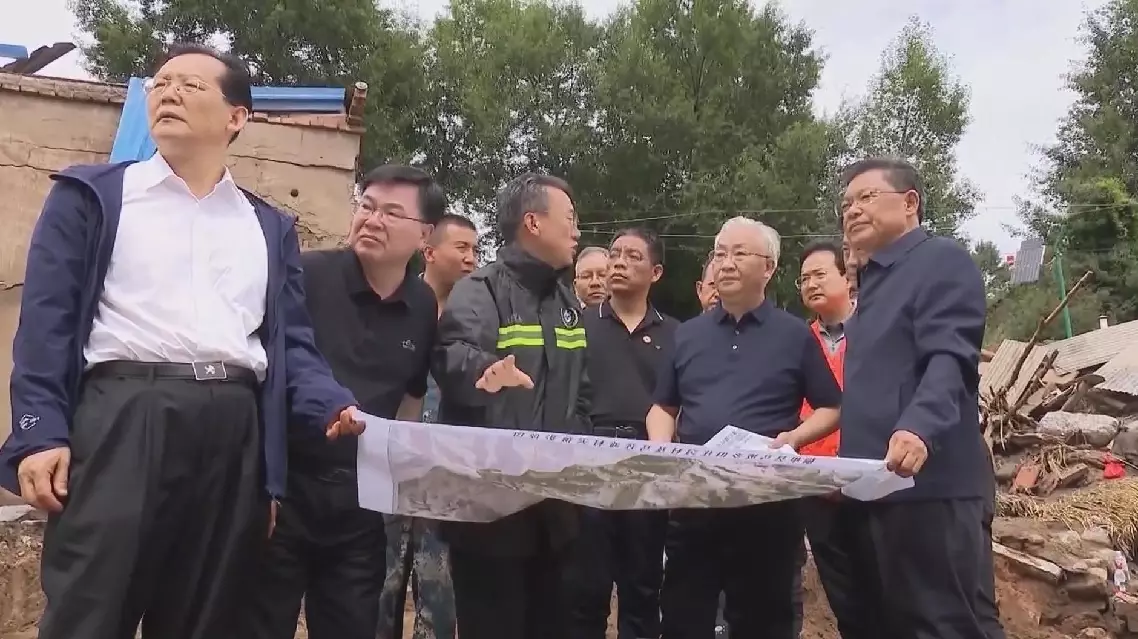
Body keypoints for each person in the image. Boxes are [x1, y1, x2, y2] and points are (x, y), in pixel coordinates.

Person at [0, 43, 363, 639]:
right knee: (91, 610)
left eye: (191, 86)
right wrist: (39, 432)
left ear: (237, 117)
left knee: (207, 617)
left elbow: (290, 344)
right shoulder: (93, 197)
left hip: (234, 432)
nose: (168, 93)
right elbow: (46, 324)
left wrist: (329, 402)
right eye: (161, 84)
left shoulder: (268, 227)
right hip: (124, 418)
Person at [240, 165, 444, 639]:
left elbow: (410, 400)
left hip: (359, 504)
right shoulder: (306, 275)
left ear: (424, 235)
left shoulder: (421, 305)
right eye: (366, 206)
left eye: (392, 212)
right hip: (283, 493)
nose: (372, 219)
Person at [646, 216, 841, 639]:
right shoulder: (688, 335)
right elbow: (663, 406)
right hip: (696, 503)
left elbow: (831, 407)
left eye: (739, 253)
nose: (726, 263)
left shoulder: (794, 335)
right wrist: (662, 448)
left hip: (767, 507)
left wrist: (794, 438)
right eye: (719, 254)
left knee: (764, 621)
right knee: (683, 617)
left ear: (768, 267)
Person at [837, 157, 1004, 639]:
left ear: (910, 203)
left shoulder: (939, 261)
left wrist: (919, 427)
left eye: (867, 197)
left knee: (942, 624)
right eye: (846, 204)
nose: (852, 210)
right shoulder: (873, 283)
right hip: (876, 485)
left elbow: (950, 356)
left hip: (929, 486)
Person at [432, 173, 591, 639]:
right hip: (491, 514)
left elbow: (581, 390)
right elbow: (453, 354)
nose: (577, 230)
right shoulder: (480, 289)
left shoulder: (568, 304)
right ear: (533, 223)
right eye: (569, 218)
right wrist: (485, 371)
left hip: (555, 513)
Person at [568, 227, 678, 639]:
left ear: (656, 272)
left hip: (649, 466)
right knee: (584, 590)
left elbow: (679, 404)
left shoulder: (677, 334)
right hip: (588, 463)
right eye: (615, 253)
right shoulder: (578, 326)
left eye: (633, 256)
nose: (619, 263)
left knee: (643, 589)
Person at [378, 213, 477, 639]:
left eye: (476, 250)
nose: (472, 258)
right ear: (430, 251)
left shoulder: (475, 318)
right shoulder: (394, 305)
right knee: (379, 589)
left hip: (447, 477)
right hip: (389, 468)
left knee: (439, 598)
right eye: (462, 248)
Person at [793, 239, 862, 637]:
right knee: (844, 596)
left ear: (847, 278)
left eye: (819, 274)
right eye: (804, 279)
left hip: (871, 483)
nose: (811, 284)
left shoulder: (878, 334)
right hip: (817, 487)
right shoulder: (797, 343)